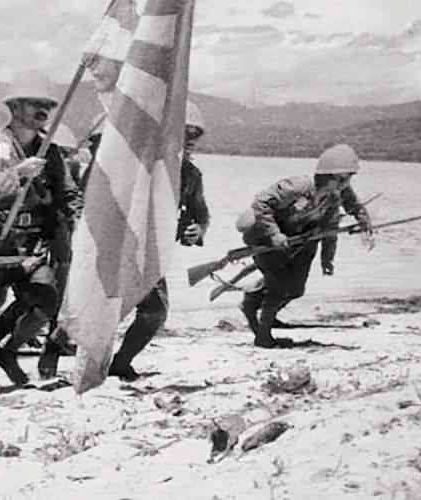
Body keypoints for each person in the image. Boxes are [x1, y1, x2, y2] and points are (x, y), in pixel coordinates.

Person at [0, 70, 82, 390]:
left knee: (45, 301)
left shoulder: (50, 151)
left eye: (47, 106)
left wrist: (81, 221)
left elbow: (68, 195)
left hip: (30, 246)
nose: (43, 111)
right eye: (34, 104)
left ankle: (7, 351)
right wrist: (18, 173)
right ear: (14, 107)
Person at [106, 100, 211, 381]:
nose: (187, 141)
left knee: (154, 312)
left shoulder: (190, 175)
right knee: (99, 308)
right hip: (116, 248)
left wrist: (197, 230)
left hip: (152, 253)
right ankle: (54, 353)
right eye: (182, 134)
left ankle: (121, 363)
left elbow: (201, 214)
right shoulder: (133, 164)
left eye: (193, 135)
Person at [238, 143, 373, 348]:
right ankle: (263, 335)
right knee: (277, 287)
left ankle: (253, 302)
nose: (346, 184)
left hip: (302, 245)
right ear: (329, 176)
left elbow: (339, 223)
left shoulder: (338, 192)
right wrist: (274, 234)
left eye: (348, 179)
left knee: (295, 289)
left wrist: (328, 259)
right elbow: (261, 203)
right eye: (343, 179)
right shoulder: (298, 187)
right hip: (268, 240)